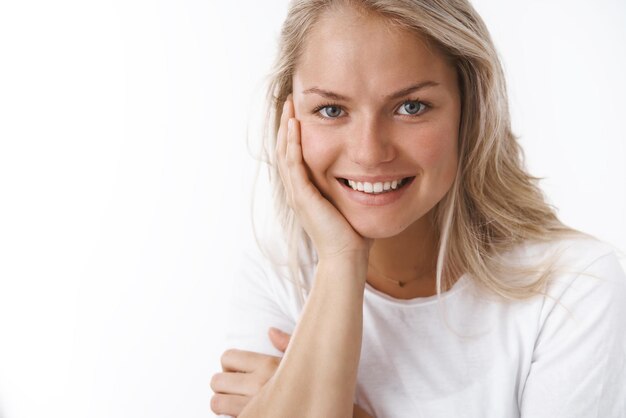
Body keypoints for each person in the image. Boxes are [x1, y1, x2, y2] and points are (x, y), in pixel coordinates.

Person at [210, 0, 626, 417]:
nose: (369, 153)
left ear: (470, 111)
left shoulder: (574, 285)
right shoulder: (275, 272)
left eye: (411, 107)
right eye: (332, 110)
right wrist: (341, 260)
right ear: (290, 119)